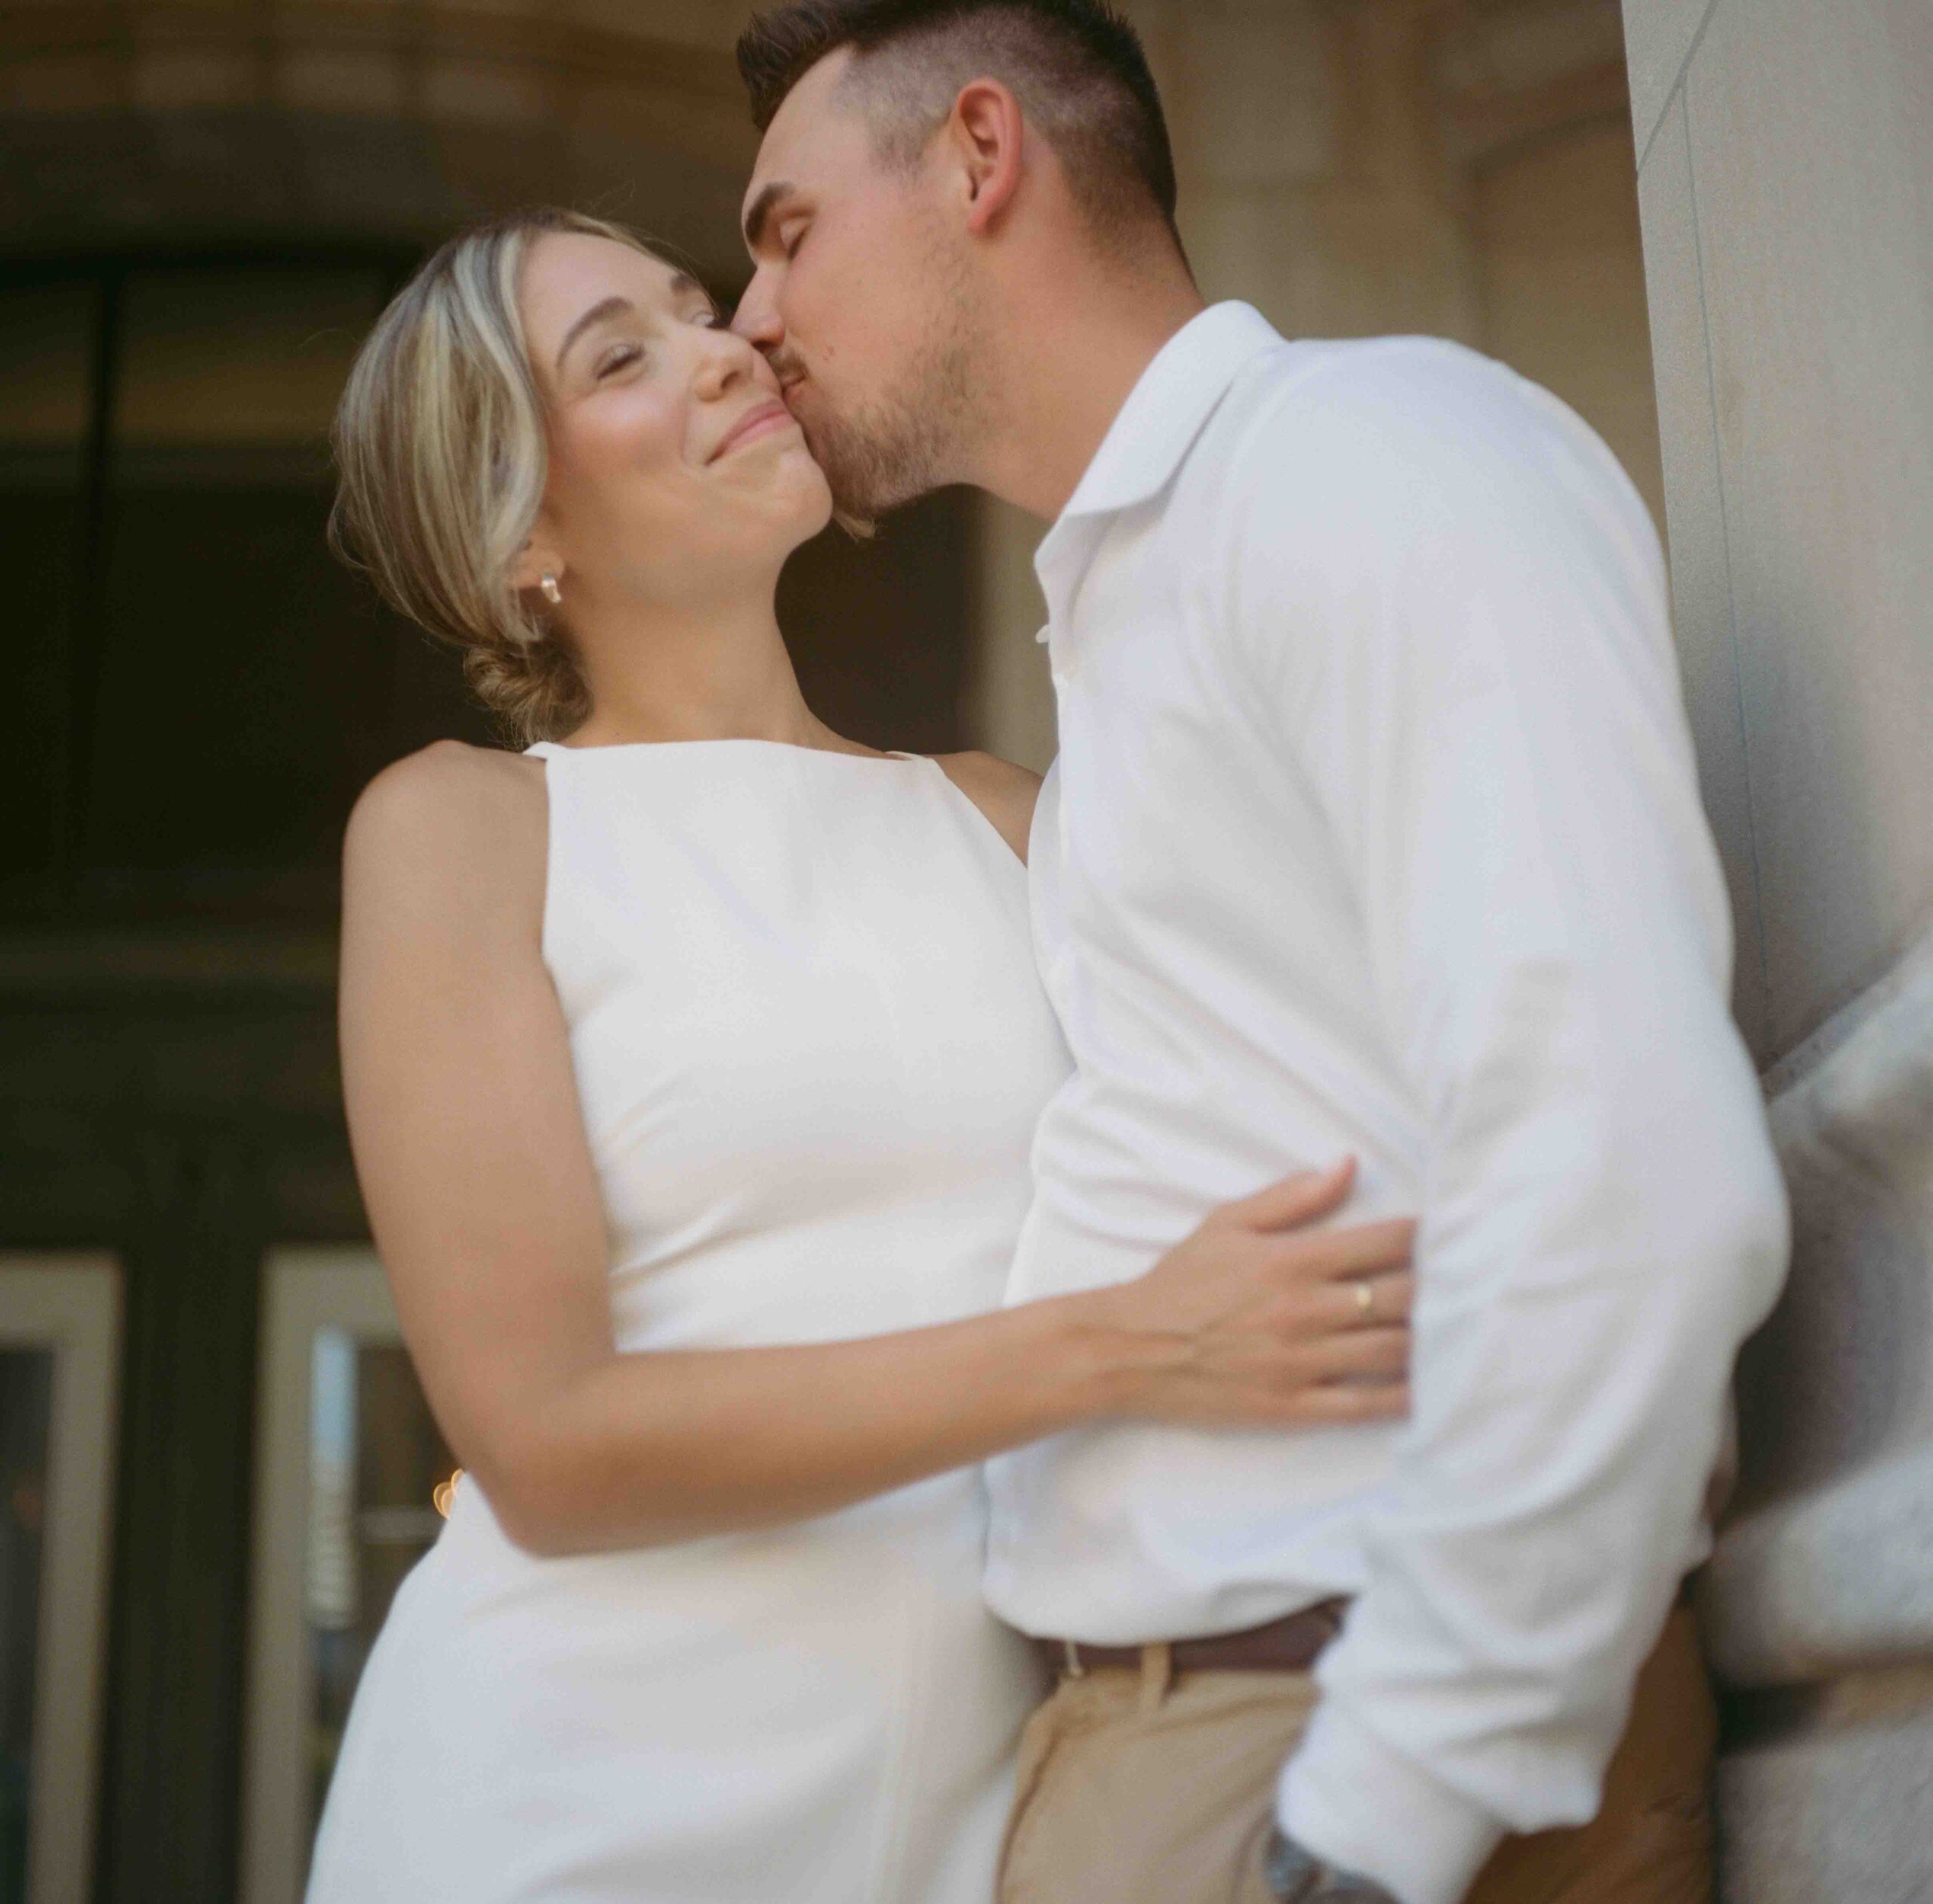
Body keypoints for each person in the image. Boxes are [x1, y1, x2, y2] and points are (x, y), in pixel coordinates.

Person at [728, 5, 1791, 1902]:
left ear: (980, 157)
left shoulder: (1366, 460)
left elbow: (1622, 1145)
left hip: (1326, 1738)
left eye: (785, 229)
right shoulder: (1130, 610)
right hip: (1174, 1748)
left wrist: (1379, 1812)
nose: (749, 315)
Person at [305, 208, 1416, 1904]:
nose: (721, 346)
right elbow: (548, 1439)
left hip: (968, 1811)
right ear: (522, 522)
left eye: (700, 308)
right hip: (567, 1805)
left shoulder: (1001, 816)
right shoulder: (463, 830)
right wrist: (1127, 1343)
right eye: (621, 354)